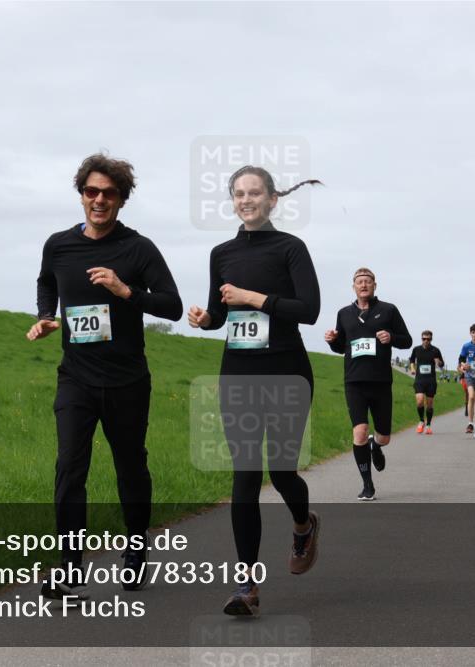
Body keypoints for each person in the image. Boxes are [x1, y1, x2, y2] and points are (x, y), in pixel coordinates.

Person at [29, 153, 182, 599]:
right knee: (69, 468)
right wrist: (46, 315)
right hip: (75, 378)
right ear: (81, 195)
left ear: (121, 199)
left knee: (130, 467)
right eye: (91, 191)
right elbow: (46, 281)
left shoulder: (138, 249)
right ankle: (69, 568)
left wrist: (125, 290)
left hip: (126, 380)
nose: (99, 200)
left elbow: (172, 305)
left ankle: (135, 548)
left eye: (109, 193)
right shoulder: (59, 245)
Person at [187, 165, 322, 616]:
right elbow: (220, 313)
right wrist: (207, 319)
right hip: (238, 375)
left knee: (281, 473)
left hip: (287, 373)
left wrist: (254, 298)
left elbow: (309, 310)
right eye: (239, 194)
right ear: (233, 201)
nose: (246, 200)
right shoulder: (221, 253)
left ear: (272, 199)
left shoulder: (290, 248)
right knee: (245, 476)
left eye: (255, 193)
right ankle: (247, 585)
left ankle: (304, 525)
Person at [326, 269, 412, 498]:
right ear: (353, 286)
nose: (363, 285)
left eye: (367, 281)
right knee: (360, 431)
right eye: (359, 282)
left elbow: (407, 341)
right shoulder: (344, 314)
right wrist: (332, 340)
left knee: (384, 437)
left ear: (375, 285)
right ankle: (367, 485)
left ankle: (376, 445)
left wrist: (391, 337)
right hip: (354, 381)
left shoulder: (388, 310)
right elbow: (341, 346)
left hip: (381, 381)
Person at [408, 330, 444, 435]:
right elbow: (412, 360)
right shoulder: (416, 349)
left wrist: (438, 362)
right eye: (424, 339)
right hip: (419, 380)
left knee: (429, 404)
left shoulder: (435, 350)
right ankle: (421, 421)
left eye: (428, 339)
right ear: (421, 339)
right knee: (419, 401)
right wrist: (412, 368)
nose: (426, 341)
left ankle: (428, 425)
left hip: (431, 381)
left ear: (431, 339)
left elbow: (442, 364)